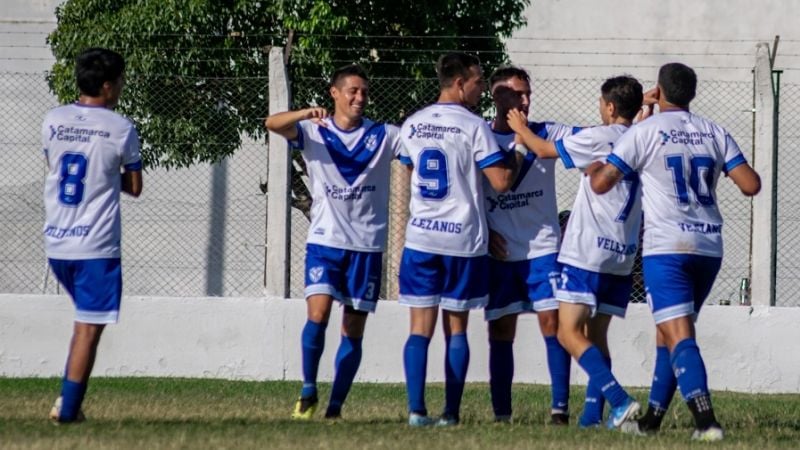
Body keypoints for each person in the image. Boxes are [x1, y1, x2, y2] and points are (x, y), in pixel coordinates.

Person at [589, 63, 761, 441]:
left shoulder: (644, 131)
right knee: (668, 333)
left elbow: (601, 184)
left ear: (659, 91)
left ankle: (706, 422)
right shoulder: (715, 131)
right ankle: (652, 420)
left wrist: (598, 165)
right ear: (692, 95)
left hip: (666, 247)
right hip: (708, 247)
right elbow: (751, 184)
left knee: (679, 334)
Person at [264, 64, 404, 420]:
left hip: (367, 246)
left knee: (352, 330)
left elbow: (416, 148)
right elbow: (272, 124)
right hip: (325, 242)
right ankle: (308, 389)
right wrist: (304, 112)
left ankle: (335, 408)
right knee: (318, 313)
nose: (359, 97)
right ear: (335, 93)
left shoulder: (383, 134)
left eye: (364, 92)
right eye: (353, 91)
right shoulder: (314, 130)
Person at [508, 75, 647, 429]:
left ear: (610, 107)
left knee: (568, 333)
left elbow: (542, 150)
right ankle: (590, 419)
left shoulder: (599, 136)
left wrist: (519, 128)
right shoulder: (643, 138)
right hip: (623, 253)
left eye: (601, 104)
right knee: (597, 335)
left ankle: (620, 400)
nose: (598, 110)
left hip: (588, 251)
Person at [398, 52, 519, 426]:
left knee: (419, 328)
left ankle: (417, 411)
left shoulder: (413, 124)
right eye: (479, 81)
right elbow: (500, 181)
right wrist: (517, 152)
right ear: (459, 83)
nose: (482, 88)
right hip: (462, 241)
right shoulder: (473, 126)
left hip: (420, 239)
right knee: (457, 328)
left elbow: (406, 171)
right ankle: (451, 413)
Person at [43, 47, 143, 423]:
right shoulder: (120, 127)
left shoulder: (52, 120)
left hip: (56, 241)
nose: (120, 87)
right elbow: (134, 186)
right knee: (88, 329)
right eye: (119, 81)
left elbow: (55, 165)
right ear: (107, 86)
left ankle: (68, 403)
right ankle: (68, 410)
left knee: (85, 323)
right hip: (95, 245)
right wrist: (107, 175)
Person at [482, 66, 578, 425]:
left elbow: (598, 137)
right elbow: (463, 192)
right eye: (517, 94)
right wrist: (482, 230)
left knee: (553, 323)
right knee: (501, 330)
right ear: (497, 97)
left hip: (543, 247)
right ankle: (501, 414)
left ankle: (559, 410)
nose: (525, 101)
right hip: (502, 252)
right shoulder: (480, 137)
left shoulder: (546, 132)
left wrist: (631, 110)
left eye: (528, 94)